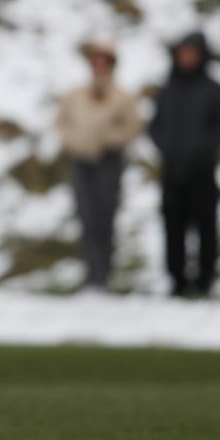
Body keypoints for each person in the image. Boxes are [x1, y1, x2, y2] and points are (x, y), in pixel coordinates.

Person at [149, 31, 220, 297]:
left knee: (206, 227)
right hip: (172, 171)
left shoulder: (215, 90)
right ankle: (176, 281)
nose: (186, 58)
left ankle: (205, 281)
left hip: (202, 171)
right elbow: (155, 127)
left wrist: (202, 150)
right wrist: (168, 150)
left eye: (192, 52)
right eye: (182, 52)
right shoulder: (168, 90)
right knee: (173, 227)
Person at [57, 38, 142, 291]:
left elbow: (132, 127)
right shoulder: (75, 95)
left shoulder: (124, 97)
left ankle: (104, 274)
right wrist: (76, 143)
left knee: (105, 216)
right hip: (82, 161)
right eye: (96, 61)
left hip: (109, 161)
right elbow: (63, 124)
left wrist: (107, 140)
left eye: (105, 61)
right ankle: (90, 272)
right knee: (86, 215)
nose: (100, 66)